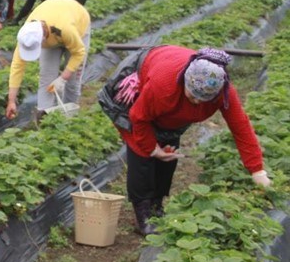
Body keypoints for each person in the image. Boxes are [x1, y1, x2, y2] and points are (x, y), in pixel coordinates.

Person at [96, 46, 271, 235]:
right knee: (141, 153)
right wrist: (152, 149)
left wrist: (257, 170)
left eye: (203, 98)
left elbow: (240, 127)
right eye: (193, 94)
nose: (196, 101)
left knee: (169, 151)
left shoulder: (222, 91)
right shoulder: (163, 85)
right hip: (142, 85)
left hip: (170, 111)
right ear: (185, 80)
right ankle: (143, 212)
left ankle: (157, 204)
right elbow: (138, 117)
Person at [6, 0, 91, 123]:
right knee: (46, 78)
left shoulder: (66, 28)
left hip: (77, 24)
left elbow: (79, 53)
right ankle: (44, 119)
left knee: (72, 82)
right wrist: (11, 101)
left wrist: (63, 78)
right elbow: (17, 66)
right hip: (51, 25)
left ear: (43, 38)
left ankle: (70, 118)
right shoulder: (28, 34)